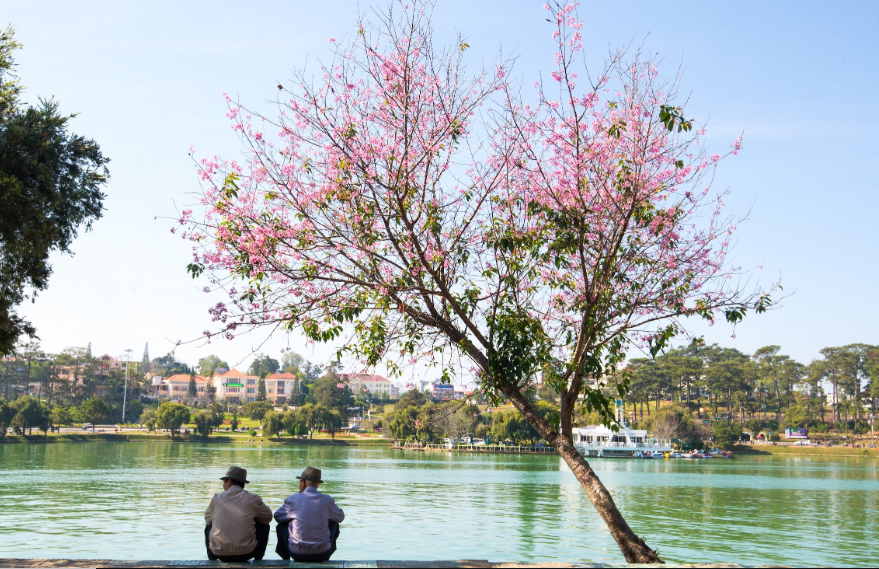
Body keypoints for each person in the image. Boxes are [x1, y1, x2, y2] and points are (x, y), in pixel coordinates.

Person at [274, 466, 345, 562]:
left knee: (281, 525)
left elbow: (277, 516)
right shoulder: (327, 500)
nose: (299, 484)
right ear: (317, 484)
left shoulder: (293, 499)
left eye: (299, 482)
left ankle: (285, 559)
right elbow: (340, 517)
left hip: (296, 554)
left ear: (303, 482)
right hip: (322, 554)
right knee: (334, 523)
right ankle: (325, 557)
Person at [204, 466, 272, 562]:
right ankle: (258, 560)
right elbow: (267, 517)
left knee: (209, 525)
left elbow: (207, 519)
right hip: (246, 553)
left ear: (230, 482)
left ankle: (212, 560)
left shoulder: (216, 499)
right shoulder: (253, 499)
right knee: (264, 525)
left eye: (224, 482)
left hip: (218, 553)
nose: (223, 486)